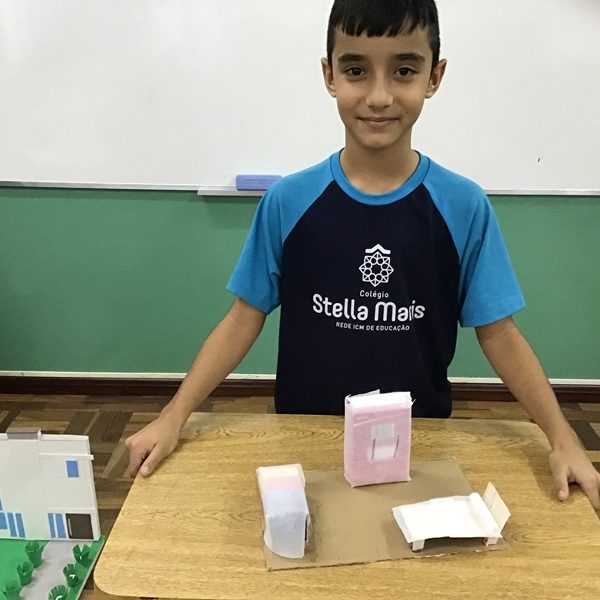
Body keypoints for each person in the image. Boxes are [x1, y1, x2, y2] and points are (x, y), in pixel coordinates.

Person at [126, 0, 600, 509]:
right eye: (356, 70)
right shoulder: (288, 201)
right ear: (329, 75)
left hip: (418, 444)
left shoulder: (463, 205)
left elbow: (499, 333)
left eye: (404, 71)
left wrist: (562, 438)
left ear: (434, 77)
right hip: (303, 436)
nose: (378, 96)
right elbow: (244, 316)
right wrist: (173, 416)